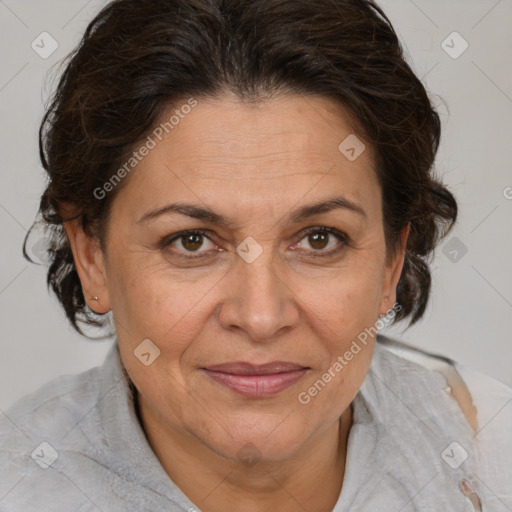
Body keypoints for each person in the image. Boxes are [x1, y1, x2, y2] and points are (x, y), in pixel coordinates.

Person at [1, 0, 510, 511]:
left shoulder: (494, 453)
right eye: (192, 241)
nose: (261, 317)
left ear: (392, 261)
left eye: (319, 239)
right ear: (91, 255)